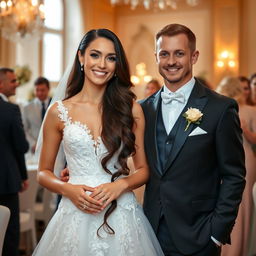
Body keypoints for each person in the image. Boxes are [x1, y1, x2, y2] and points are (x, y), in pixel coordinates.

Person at [32, 29, 164, 256]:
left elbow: (143, 170)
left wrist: (120, 185)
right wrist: (68, 190)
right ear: (81, 57)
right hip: (73, 214)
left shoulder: (131, 109)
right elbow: (43, 172)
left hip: (121, 213)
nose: (102, 64)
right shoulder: (59, 112)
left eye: (111, 58)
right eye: (95, 55)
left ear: (116, 65)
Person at [140, 24, 246, 256]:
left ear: (193, 56)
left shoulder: (221, 108)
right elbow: (126, 155)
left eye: (179, 53)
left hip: (198, 234)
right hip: (148, 232)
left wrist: (216, 232)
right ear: (156, 57)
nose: (171, 61)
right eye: (164, 54)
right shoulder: (142, 110)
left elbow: (234, 175)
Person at [216, 76, 256, 256]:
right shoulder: (220, 109)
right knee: (227, 200)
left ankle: (238, 249)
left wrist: (245, 129)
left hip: (246, 159)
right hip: (228, 159)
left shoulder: (250, 111)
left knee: (244, 202)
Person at [0, 67, 29, 256]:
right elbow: (21, 146)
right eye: (12, 81)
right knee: (9, 234)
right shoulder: (11, 110)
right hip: (6, 180)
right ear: (1, 84)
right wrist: (23, 176)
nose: (16, 84)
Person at [23, 77, 51, 154]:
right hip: (34, 149)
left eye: (42, 90)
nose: (39, 93)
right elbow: (24, 129)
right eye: (37, 90)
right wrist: (33, 144)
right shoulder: (27, 108)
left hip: (53, 147)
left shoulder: (55, 104)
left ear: (48, 89)